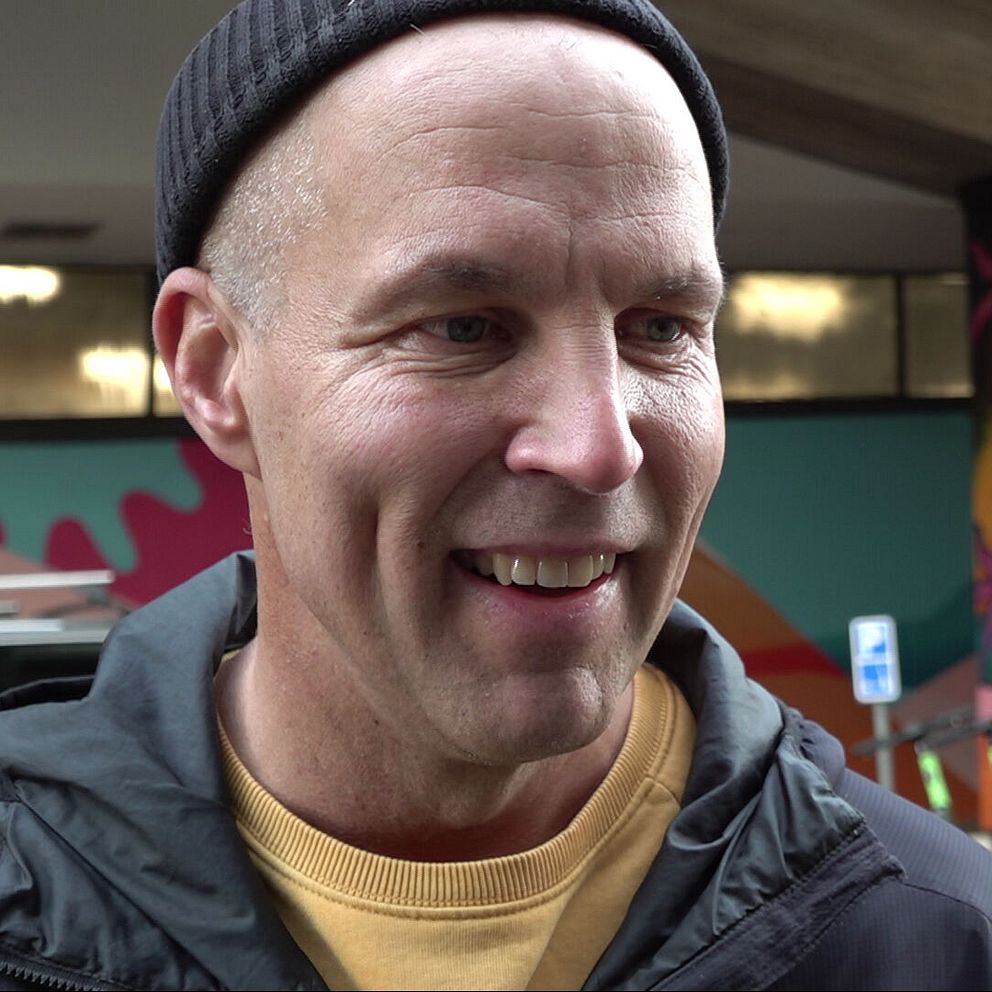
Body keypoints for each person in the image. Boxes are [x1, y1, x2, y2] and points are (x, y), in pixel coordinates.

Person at [1, 0, 990, 989]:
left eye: (660, 328)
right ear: (215, 369)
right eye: (463, 327)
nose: (599, 448)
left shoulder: (932, 942)